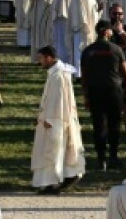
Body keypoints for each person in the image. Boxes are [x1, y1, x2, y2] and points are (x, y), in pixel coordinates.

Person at [30, 45, 85, 194]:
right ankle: (57, 180)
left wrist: (50, 119)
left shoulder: (59, 75)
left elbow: (58, 100)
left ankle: (53, 182)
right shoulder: (55, 73)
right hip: (52, 118)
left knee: (54, 151)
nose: (39, 62)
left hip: (55, 119)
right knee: (55, 150)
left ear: (49, 57)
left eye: (41, 58)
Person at [79, 19, 126, 170]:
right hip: (114, 91)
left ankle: (101, 159)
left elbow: (84, 77)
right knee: (114, 125)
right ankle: (113, 157)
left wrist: (86, 96)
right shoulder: (116, 49)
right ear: (108, 32)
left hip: (95, 91)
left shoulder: (88, 51)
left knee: (99, 125)